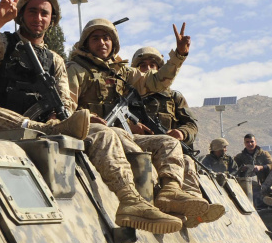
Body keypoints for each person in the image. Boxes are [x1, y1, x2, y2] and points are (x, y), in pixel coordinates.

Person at [0, 0, 181, 234]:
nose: (38, 18)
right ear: (21, 14)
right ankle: (41, 126)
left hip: (47, 130)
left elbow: (65, 102)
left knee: (104, 133)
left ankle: (130, 199)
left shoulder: (55, 60)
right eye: (32, 11)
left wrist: (66, 116)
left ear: (53, 19)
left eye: (45, 13)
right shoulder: (1, 43)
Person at [67, 19, 225, 226]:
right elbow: (65, 106)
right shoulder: (76, 69)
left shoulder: (122, 72)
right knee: (130, 148)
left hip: (122, 135)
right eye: (95, 38)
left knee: (168, 143)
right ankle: (134, 202)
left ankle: (170, 192)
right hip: (94, 135)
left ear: (114, 43)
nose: (102, 43)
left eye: (106, 38)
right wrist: (85, 117)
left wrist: (178, 56)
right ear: (86, 43)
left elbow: (156, 81)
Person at [130, 47, 198, 149]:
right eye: (143, 66)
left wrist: (182, 133)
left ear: (159, 69)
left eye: (152, 65)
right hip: (136, 149)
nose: (148, 69)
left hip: (169, 149)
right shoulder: (127, 97)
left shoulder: (174, 98)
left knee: (187, 162)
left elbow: (191, 125)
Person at [234, 133, 272, 207]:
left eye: (252, 141)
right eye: (247, 142)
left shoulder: (264, 154)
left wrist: (260, 167)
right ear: (244, 143)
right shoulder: (239, 157)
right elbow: (233, 170)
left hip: (263, 187)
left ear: (255, 142)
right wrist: (241, 169)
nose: (250, 144)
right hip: (247, 187)